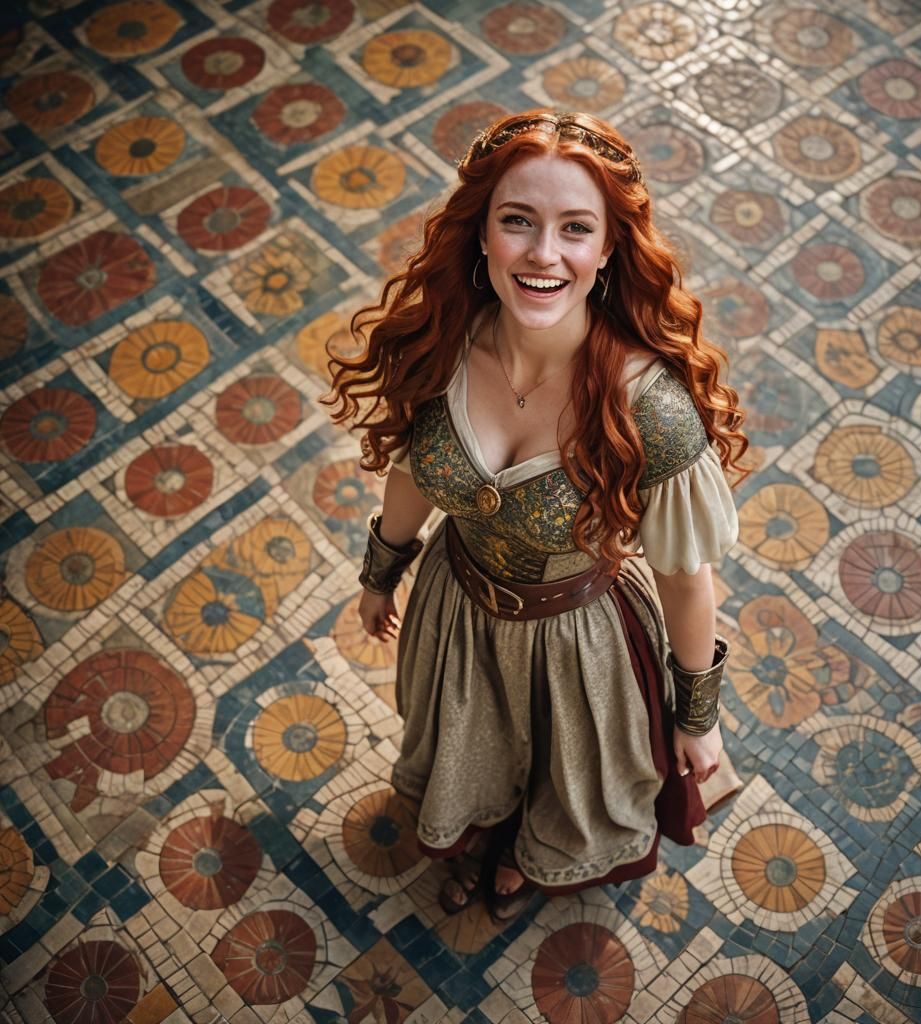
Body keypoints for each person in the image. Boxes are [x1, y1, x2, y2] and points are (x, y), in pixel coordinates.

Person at [324, 109, 750, 923]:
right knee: (470, 746)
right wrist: (382, 572)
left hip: (580, 639)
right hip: (458, 610)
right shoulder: (441, 344)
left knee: (569, 771)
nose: (543, 255)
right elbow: (416, 474)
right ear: (481, 233)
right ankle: (482, 830)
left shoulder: (648, 409)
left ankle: (533, 855)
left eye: (575, 229)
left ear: (609, 249)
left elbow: (688, 582)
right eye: (517, 221)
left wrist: (698, 720)